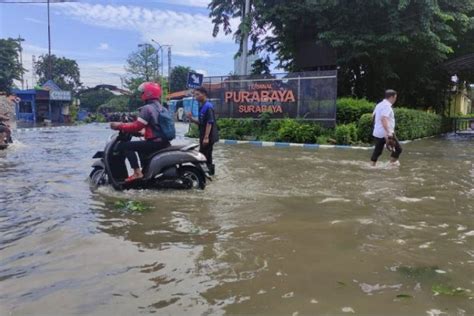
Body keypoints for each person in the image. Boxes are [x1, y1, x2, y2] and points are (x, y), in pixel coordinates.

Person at [110, 82, 171, 182]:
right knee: (139, 145)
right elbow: (155, 126)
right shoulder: (162, 108)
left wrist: (119, 125)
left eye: (142, 92)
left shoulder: (147, 108)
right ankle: (144, 171)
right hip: (162, 142)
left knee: (125, 146)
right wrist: (143, 132)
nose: (141, 94)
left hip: (155, 143)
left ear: (148, 93)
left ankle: (137, 173)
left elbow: (137, 126)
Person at [187, 87, 219, 175]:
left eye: (197, 94)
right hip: (204, 135)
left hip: (208, 136)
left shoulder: (208, 107)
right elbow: (201, 123)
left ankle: (203, 175)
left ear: (204, 94)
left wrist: (206, 137)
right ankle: (209, 174)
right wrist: (191, 119)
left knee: (202, 156)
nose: (196, 97)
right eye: (195, 95)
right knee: (207, 156)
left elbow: (210, 122)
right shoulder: (202, 106)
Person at [370, 89, 402, 166]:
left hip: (378, 132)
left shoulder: (379, 105)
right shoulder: (387, 106)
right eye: (395, 97)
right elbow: (384, 118)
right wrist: (389, 133)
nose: (395, 99)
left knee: (377, 151)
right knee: (398, 149)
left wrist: (377, 127)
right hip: (386, 133)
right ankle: (391, 164)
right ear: (392, 97)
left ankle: (372, 166)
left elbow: (372, 116)